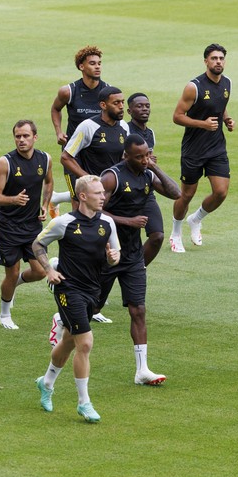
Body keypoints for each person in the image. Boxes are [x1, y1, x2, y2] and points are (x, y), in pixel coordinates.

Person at [32, 175, 120, 422]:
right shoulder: (64, 222)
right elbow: (38, 244)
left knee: (70, 340)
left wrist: (113, 258)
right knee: (86, 343)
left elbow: (116, 255)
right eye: (97, 193)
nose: (103, 196)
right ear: (83, 196)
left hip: (94, 289)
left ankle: (46, 382)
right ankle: (84, 403)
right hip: (68, 289)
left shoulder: (107, 223)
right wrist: (49, 270)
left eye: (103, 192)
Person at [99, 135, 182, 385]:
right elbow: (94, 211)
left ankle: (142, 370)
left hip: (133, 255)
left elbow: (176, 193)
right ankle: (61, 319)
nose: (145, 159)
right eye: (139, 157)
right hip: (108, 253)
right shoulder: (112, 177)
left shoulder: (147, 173)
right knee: (92, 307)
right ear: (126, 156)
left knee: (138, 310)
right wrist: (128, 221)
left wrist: (154, 166)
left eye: (147, 155)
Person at [61, 86, 129, 321]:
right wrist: (87, 180)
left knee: (107, 247)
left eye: (122, 102)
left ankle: (92, 301)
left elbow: (123, 159)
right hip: (92, 198)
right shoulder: (88, 127)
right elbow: (66, 156)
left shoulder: (124, 128)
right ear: (103, 105)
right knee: (88, 243)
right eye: (116, 103)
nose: (121, 106)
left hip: (112, 194)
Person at [169, 43, 235, 252]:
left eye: (221, 58)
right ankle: (175, 233)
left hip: (217, 147)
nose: (218, 62)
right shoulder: (194, 87)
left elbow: (220, 106)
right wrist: (203, 124)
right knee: (186, 194)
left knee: (221, 192)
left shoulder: (227, 83)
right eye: (214, 58)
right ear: (206, 61)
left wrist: (226, 119)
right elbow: (177, 117)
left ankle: (196, 219)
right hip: (194, 149)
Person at [0, 120, 54, 329]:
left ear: (35, 137)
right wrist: (13, 200)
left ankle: (13, 286)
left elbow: (49, 182)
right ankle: (4, 314)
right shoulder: (5, 162)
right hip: (8, 226)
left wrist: (45, 205)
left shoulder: (45, 159)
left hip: (32, 225)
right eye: (18, 136)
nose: (21, 140)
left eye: (25, 136)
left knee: (40, 271)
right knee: (12, 271)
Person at [49, 45, 110, 211]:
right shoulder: (69, 91)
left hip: (97, 150)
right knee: (78, 199)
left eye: (99, 63)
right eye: (92, 63)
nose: (97, 66)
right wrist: (59, 131)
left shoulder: (107, 91)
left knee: (98, 192)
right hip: (73, 151)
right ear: (81, 67)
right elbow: (55, 109)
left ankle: (57, 198)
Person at [126, 92, 165, 266]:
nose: (144, 109)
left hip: (145, 188)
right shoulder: (124, 130)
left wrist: (149, 163)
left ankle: (136, 270)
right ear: (129, 110)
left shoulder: (150, 133)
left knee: (157, 236)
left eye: (147, 106)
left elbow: (148, 161)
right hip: (125, 188)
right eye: (139, 106)